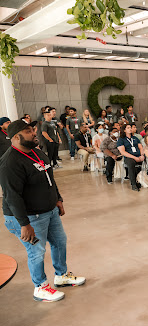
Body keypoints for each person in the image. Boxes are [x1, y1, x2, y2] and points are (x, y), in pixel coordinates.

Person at [0, 120, 85, 302]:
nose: (34, 133)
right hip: (28, 217)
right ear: (16, 137)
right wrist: (24, 224)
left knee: (60, 242)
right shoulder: (9, 162)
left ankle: (61, 276)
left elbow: (50, 179)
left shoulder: (37, 152)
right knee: (36, 252)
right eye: (29, 131)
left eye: (33, 129)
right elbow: (12, 196)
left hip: (49, 210)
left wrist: (58, 199)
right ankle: (41, 287)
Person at [117, 124, 144, 191]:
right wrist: (134, 157)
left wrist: (142, 155)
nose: (130, 129)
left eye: (130, 128)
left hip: (138, 156)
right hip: (129, 157)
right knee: (131, 163)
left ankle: (144, 180)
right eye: (128, 128)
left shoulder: (135, 138)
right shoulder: (121, 140)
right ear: (124, 130)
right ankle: (133, 184)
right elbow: (123, 152)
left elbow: (141, 148)